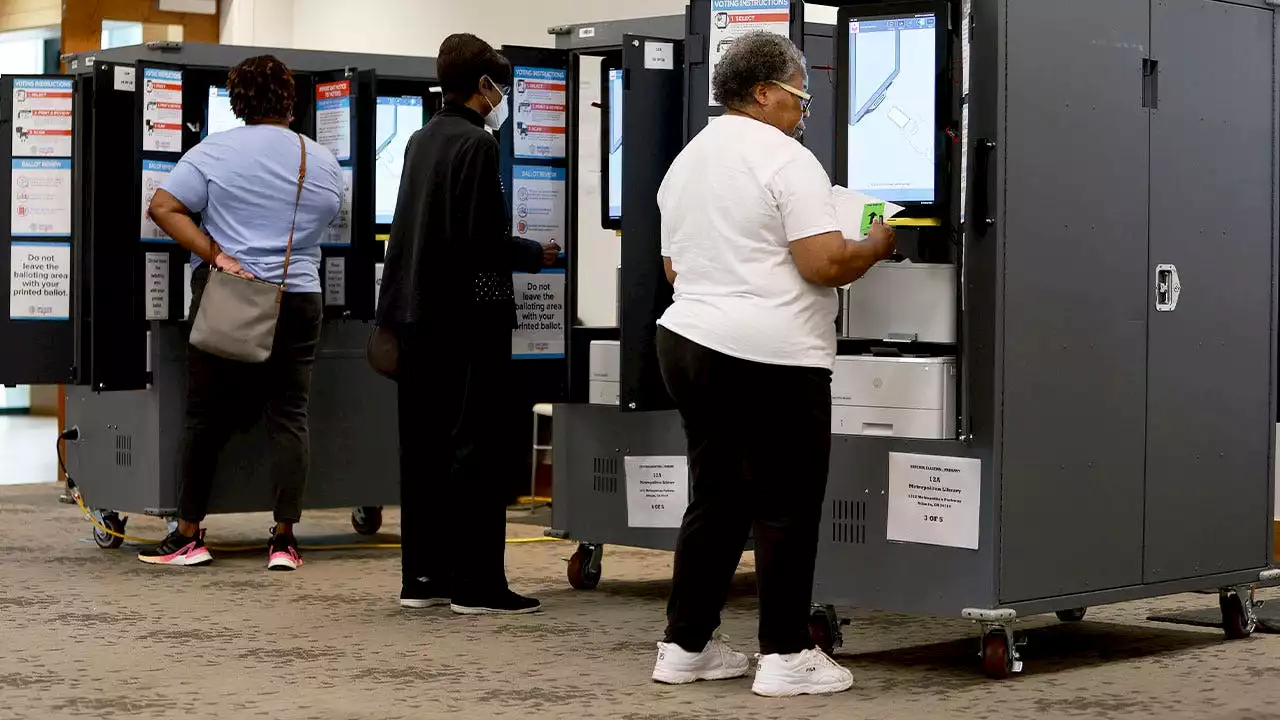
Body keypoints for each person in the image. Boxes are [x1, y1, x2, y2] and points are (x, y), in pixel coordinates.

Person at [648, 32, 896, 697]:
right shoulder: (785, 160)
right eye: (797, 96)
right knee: (786, 506)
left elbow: (674, 265)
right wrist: (872, 243)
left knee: (716, 499)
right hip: (770, 354)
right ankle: (786, 654)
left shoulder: (689, 160)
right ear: (763, 93)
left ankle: (685, 644)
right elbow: (823, 264)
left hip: (688, 343)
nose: (804, 111)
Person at [376, 34, 559, 615]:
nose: (503, 97)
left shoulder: (421, 139)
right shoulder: (477, 146)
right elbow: (479, 241)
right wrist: (536, 253)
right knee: (474, 448)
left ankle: (423, 579)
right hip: (466, 319)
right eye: (501, 86)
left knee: (423, 450)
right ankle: (478, 585)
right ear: (485, 87)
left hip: (413, 316)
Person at [140, 55, 344, 571]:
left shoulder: (213, 151)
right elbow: (330, 217)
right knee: (289, 416)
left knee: (205, 418)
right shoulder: (319, 159)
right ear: (290, 101)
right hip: (299, 296)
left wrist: (217, 254)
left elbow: (163, 208)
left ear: (237, 102)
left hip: (231, 294)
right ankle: (283, 540)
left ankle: (188, 535)